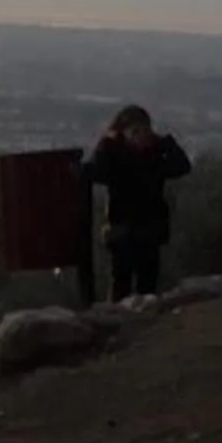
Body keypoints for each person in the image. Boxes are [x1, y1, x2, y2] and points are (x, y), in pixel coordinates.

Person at [81, 105, 190, 300]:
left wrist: (165, 142)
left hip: (150, 228)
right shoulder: (114, 154)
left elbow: (182, 166)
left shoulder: (154, 155)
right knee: (120, 284)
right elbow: (95, 172)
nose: (141, 136)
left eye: (145, 131)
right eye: (135, 131)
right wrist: (108, 145)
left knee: (147, 286)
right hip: (122, 228)